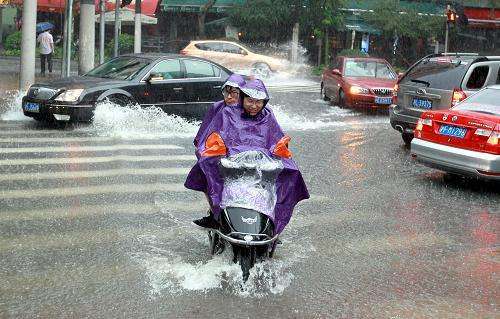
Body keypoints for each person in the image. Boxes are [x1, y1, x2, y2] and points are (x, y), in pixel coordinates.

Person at [186, 79, 309, 234]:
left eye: (259, 102)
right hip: (231, 161)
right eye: (250, 101)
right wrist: (216, 151)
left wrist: (279, 150)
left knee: (291, 173)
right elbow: (212, 135)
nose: (254, 106)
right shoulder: (227, 113)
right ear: (243, 98)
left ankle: (273, 222)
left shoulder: (268, 116)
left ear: (264, 102)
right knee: (206, 168)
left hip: (262, 162)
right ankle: (216, 214)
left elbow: (276, 138)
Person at [193, 73, 246, 148]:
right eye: (226, 92)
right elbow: (203, 133)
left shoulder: (249, 109)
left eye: (234, 93)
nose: (229, 97)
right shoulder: (217, 107)